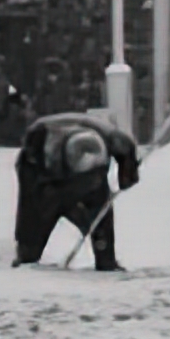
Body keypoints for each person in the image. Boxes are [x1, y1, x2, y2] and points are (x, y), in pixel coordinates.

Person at [12, 112, 139, 272]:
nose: (94, 181)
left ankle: (106, 258)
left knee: (100, 209)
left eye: (98, 174)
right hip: (45, 177)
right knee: (38, 213)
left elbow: (128, 161)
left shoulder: (116, 140)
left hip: (74, 166)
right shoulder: (42, 148)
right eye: (88, 177)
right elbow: (27, 201)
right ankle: (28, 253)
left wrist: (127, 174)